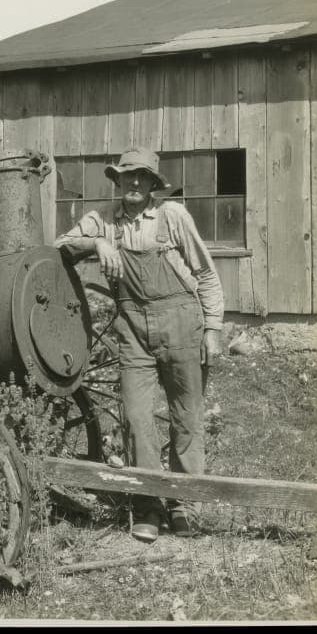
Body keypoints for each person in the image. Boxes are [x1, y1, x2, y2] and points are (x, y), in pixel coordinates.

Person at [54, 146, 224, 543]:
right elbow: (60, 245)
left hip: (182, 320)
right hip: (132, 327)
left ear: (151, 184)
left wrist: (213, 328)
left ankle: (182, 504)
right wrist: (96, 245)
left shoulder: (172, 216)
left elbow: (206, 272)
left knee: (186, 414)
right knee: (136, 416)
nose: (133, 182)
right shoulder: (102, 221)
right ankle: (148, 505)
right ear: (116, 180)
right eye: (126, 176)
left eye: (141, 177)